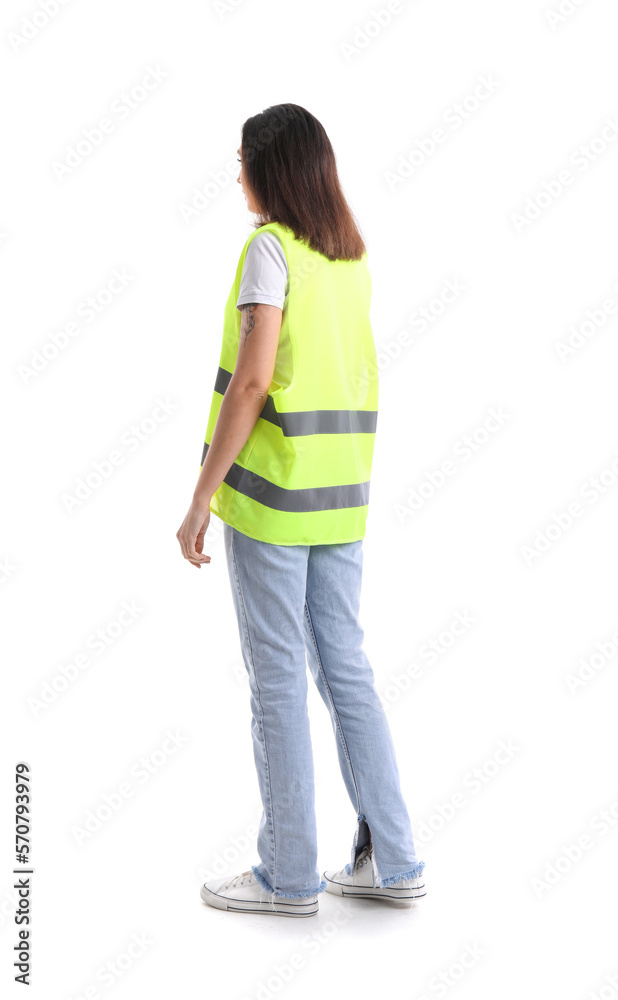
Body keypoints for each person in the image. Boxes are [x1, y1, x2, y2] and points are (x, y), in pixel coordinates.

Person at [176, 103, 426, 918]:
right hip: (342, 498)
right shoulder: (348, 259)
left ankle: (288, 877)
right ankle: (394, 859)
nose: (236, 170)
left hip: (275, 502)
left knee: (278, 678)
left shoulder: (270, 252)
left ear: (273, 169)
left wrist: (201, 496)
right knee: (347, 669)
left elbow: (251, 385)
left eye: (243, 156)